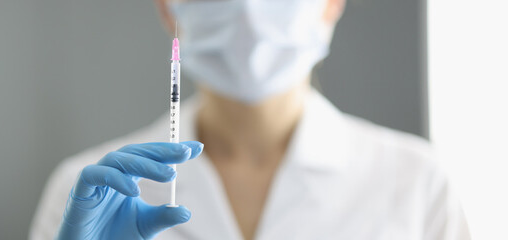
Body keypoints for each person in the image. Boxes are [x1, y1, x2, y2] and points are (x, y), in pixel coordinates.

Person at [30, 0, 470, 239]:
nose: (248, 9)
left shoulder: (417, 185)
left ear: (332, 3)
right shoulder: (89, 195)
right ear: (168, 7)